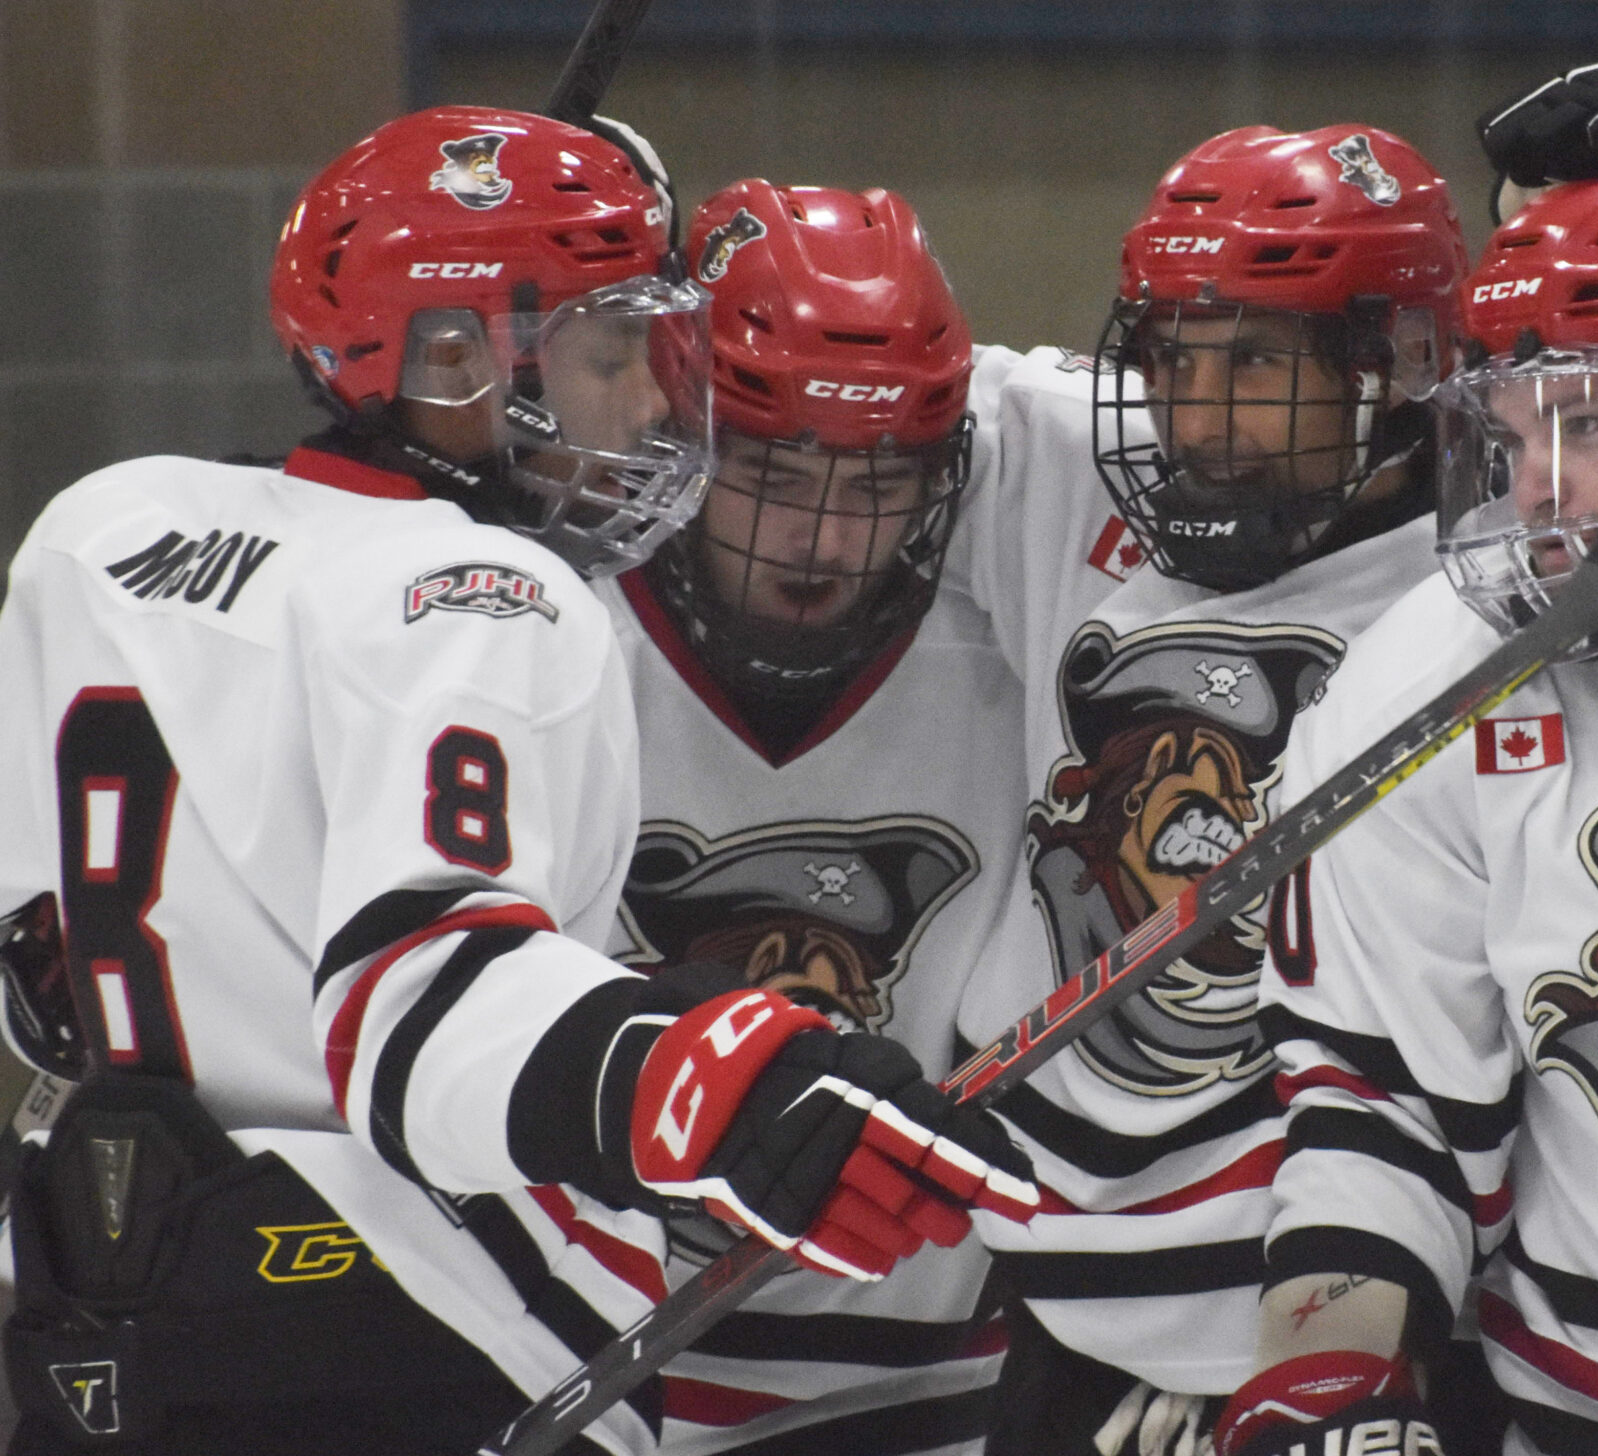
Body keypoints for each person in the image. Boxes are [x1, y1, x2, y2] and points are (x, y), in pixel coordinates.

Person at [0, 106, 1034, 1456]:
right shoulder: (490, 596)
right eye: (615, 351)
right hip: (408, 1330)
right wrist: (722, 1081)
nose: (662, 401)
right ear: (453, 362)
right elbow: (421, 1004)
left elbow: (36, 965)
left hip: (96, 1299)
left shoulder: (104, 528)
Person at [1219, 162, 1598, 1456]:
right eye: (1516, 434)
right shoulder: (1425, 681)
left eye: (1591, 427)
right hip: (1593, 1417)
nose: (1539, 488)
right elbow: (1384, 1103)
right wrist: (1328, 1378)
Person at [957, 122, 1472, 1456]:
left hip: (1336, 1322)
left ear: (1400, 365)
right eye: (1177, 363)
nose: (1200, 424)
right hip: (1055, 1315)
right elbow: (854, 368)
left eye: (1253, 364)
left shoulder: (1477, 606)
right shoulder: (1072, 493)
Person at [604, 176, 1078, 1455]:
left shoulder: (1014, 646)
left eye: (875, 482)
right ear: (674, 427)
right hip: (587, 1357)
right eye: (768, 469)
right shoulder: (552, 640)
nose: (820, 538)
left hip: (929, 1376)